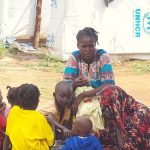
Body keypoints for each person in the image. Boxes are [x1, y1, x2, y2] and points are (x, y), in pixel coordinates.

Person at [64, 27, 115, 130]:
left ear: (95, 44)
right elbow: (66, 86)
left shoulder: (103, 57)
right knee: (63, 99)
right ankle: (71, 130)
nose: (88, 50)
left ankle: (99, 132)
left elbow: (109, 85)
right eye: (84, 46)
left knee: (110, 101)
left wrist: (83, 94)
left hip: (99, 95)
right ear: (78, 45)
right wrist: (74, 84)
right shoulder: (74, 58)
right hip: (77, 94)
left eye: (91, 46)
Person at [95, 85, 150, 150]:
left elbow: (126, 147)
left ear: (115, 103)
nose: (104, 112)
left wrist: (116, 125)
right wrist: (93, 134)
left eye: (106, 107)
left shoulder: (139, 115)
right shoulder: (120, 111)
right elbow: (112, 134)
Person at [3, 83, 54, 150]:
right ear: (37, 101)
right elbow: (51, 142)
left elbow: (7, 136)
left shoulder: (13, 112)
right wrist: (52, 123)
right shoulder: (39, 118)